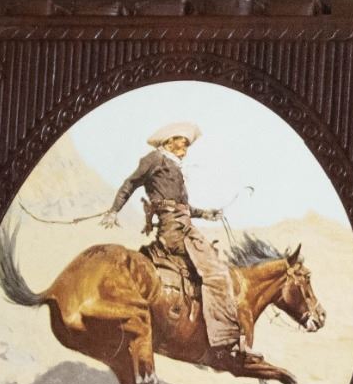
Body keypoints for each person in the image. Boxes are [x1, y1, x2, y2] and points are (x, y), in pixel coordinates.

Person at [101, 121, 258, 365]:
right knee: (217, 273)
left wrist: (206, 214)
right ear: (169, 141)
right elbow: (130, 183)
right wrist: (114, 211)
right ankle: (223, 341)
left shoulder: (173, 166)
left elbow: (182, 206)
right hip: (174, 231)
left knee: (213, 267)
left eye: (186, 145)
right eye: (181, 144)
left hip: (184, 226)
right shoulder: (154, 159)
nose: (184, 149)